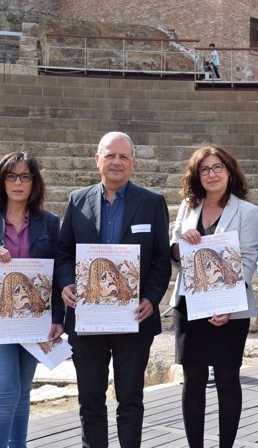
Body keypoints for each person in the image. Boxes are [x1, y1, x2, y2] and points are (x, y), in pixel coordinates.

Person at [55, 131, 172, 448]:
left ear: (133, 162)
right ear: (98, 160)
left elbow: (162, 259)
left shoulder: (152, 202)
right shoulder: (77, 200)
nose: (116, 162)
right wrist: (66, 282)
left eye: (123, 156)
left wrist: (150, 297)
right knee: (90, 399)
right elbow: (64, 252)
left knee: (131, 399)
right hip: (86, 319)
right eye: (110, 155)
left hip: (134, 319)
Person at [0, 151, 63, 448]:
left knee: (22, 390)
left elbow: (58, 275)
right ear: (2, 181)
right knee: (5, 389)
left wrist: (58, 318)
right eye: (11, 176)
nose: (18, 182)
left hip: (35, 316)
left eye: (25, 176)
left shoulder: (49, 222)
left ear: (34, 182)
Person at [170, 146, 258, 448]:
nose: (211, 174)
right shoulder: (188, 205)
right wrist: (182, 243)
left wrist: (226, 305)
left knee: (226, 378)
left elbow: (246, 261)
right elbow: (174, 251)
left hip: (229, 307)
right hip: (189, 303)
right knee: (192, 379)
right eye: (204, 169)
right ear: (197, 175)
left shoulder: (247, 211)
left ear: (229, 171)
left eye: (217, 167)